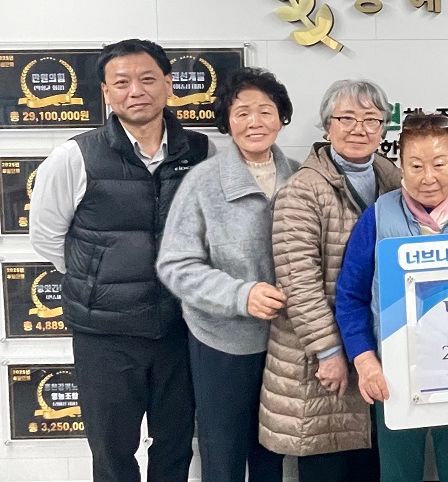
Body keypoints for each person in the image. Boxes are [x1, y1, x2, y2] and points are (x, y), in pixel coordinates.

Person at [29, 39, 209, 482]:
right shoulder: (75, 156)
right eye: (122, 82)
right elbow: (47, 237)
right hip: (105, 335)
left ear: (169, 84)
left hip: (181, 327)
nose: (136, 91)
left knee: (175, 446)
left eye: (147, 79)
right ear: (106, 93)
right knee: (112, 453)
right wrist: (97, 279)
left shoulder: (202, 152)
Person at [336, 113, 448, 482]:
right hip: (393, 375)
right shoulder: (378, 218)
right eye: (416, 165)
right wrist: (365, 360)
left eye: (439, 164)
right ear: (401, 165)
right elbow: (350, 297)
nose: (428, 177)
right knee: (398, 474)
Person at [156, 68, 296, 482]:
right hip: (223, 343)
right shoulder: (203, 181)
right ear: (227, 121)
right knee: (223, 455)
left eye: (265, 111)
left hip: (287, 345)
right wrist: (241, 296)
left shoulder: (301, 177)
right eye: (242, 113)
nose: (255, 122)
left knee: (273, 454)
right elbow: (175, 265)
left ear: (281, 117)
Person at [258, 79, 401, 481]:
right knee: (328, 463)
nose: (359, 129)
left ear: (383, 128)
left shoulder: (393, 179)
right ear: (327, 125)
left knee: (369, 465)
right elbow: (298, 283)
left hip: (373, 349)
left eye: (371, 120)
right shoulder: (302, 190)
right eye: (347, 119)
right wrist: (328, 352)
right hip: (319, 359)